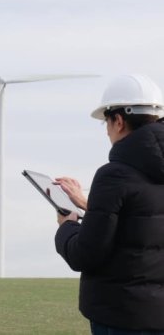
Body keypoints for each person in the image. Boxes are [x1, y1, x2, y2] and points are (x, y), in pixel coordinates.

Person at [54, 74, 164, 335]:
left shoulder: (113, 175)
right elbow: (144, 221)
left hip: (121, 317)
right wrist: (89, 204)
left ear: (118, 120)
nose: (106, 130)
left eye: (106, 121)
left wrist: (66, 226)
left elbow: (85, 254)